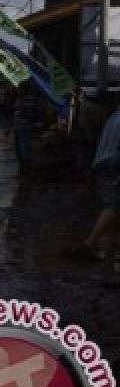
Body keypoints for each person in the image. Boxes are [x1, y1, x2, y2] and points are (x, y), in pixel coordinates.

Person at [79, 100, 120, 260]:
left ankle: (112, 245)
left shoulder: (115, 116)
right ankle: (90, 242)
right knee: (114, 206)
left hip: (104, 162)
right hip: (114, 163)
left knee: (115, 204)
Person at [71, 87, 104, 181]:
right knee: (93, 157)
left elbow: (83, 124)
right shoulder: (100, 107)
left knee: (86, 158)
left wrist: (88, 135)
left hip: (86, 137)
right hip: (96, 137)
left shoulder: (84, 107)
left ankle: (87, 179)